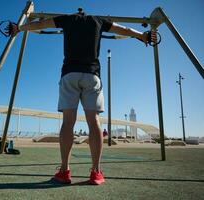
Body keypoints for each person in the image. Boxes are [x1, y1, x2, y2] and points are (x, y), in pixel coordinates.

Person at [11, 10, 155, 185]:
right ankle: (96, 172)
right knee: (94, 121)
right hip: (91, 75)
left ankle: (64, 171)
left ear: (77, 14)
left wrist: (19, 28)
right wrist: (142, 35)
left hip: (69, 74)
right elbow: (122, 29)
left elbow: (41, 24)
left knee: (68, 122)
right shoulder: (98, 21)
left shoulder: (67, 19)